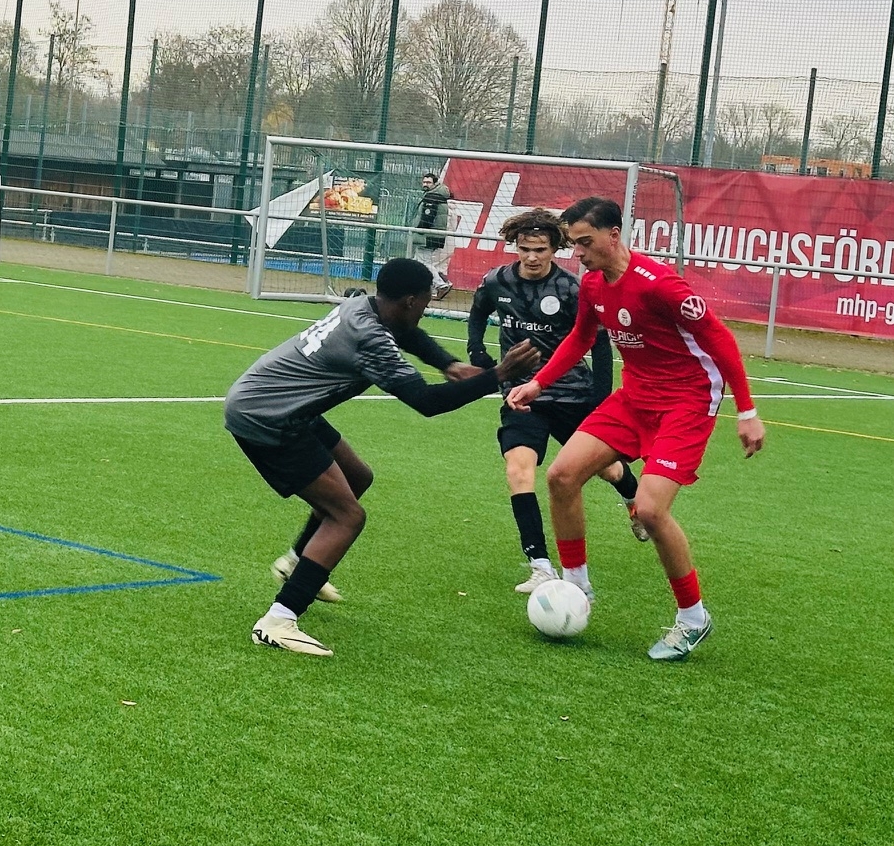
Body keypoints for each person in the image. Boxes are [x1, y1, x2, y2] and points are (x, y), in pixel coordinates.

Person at [226, 257, 541, 657]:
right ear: (410, 301)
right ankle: (278, 620)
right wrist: (497, 375)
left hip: (281, 405)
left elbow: (406, 333)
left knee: (357, 476)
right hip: (267, 418)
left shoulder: (362, 304)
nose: (425, 308)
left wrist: (447, 364)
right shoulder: (369, 339)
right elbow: (426, 401)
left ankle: (297, 562)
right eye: (425, 301)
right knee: (348, 516)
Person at [506, 197, 764, 661]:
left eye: (585, 242)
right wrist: (539, 382)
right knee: (561, 476)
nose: (578, 253)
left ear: (613, 235)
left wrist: (746, 410)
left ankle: (693, 618)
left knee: (649, 509)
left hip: (687, 401)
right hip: (635, 396)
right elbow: (581, 337)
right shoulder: (591, 283)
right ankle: (577, 587)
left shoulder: (660, 285)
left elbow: (719, 338)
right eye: (573, 244)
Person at [466, 207, 646, 595]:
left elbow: (598, 343)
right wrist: (476, 350)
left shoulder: (571, 289)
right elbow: (478, 312)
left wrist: (600, 398)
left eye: (540, 250)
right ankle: (541, 566)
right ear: (516, 247)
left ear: (555, 249)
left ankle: (635, 501)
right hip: (521, 395)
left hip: (572, 394)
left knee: (607, 470)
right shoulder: (496, 280)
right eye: (524, 249)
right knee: (518, 470)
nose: (531, 257)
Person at [413, 172, 453, 297]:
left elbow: (427, 219)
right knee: (418, 261)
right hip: (435, 235)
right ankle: (439, 283)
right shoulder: (440, 196)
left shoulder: (432, 197)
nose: (425, 184)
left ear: (435, 184)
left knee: (424, 262)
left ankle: (440, 285)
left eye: (428, 182)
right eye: (424, 182)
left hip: (428, 236)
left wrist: (418, 231)